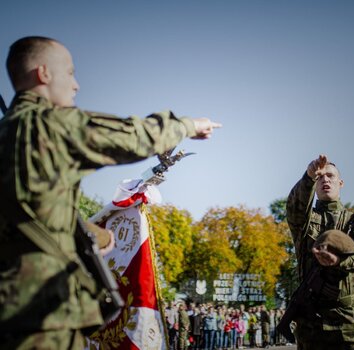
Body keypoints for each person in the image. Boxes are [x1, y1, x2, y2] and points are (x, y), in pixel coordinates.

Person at [0, 36, 221, 350]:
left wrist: (96, 234)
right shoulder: (50, 124)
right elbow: (133, 137)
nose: (75, 85)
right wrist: (186, 125)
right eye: (70, 72)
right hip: (42, 313)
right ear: (44, 74)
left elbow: (32, 216)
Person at [286, 154, 354, 350]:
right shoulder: (304, 221)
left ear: (341, 183)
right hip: (311, 325)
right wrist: (308, 176)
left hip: (349, 323)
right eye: (320, 177)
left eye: (330, 176)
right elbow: (295, 206)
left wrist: (338, 261)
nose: (325, 180)